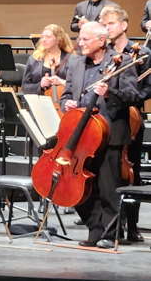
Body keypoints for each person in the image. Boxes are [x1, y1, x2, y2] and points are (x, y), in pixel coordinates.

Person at [60, 22, 140, 248]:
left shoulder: (120, 62)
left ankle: (108, 233)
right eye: (80, 39)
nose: (80, 42)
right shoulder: (75, 63)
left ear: (101, 41)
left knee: (108, 189)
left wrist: (109, 93)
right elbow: (66, 93)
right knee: (78, 188)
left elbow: (133, 96)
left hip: (110, 134)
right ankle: (95, 227)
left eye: (85, 39)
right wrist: (67, 103)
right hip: (82, 136)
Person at [99, 5, 150, 243]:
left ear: (123, 25)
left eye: (110, 23)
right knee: (107, 172)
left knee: (131, 172)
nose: (106, 28)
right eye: (104, 24)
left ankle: (131, 224)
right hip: (105, 118)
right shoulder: (104, 53)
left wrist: (130, 95)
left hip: (130, 117)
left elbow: (147, 87)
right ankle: (108, 223)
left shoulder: (142, 53)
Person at [21, 24, 73, 97]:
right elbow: (25, 87)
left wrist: (62, 82)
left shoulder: (71, 59)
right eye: (42, 37)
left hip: (63, 101)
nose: (44, 40)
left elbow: (78, 85)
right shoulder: (34, 59)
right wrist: (40, 85)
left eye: (48, 37)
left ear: (58, 39)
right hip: (39, 101)